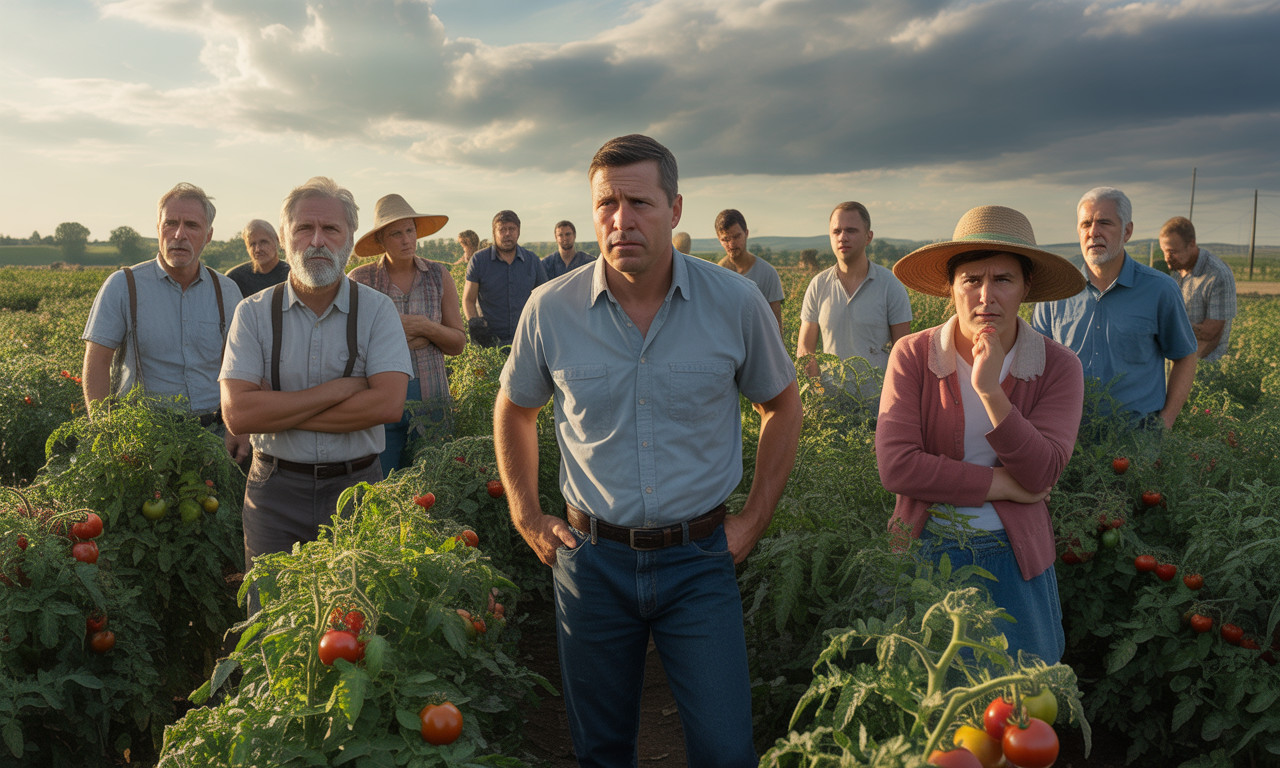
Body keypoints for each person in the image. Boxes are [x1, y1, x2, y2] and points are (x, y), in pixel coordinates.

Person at [494, 134, 801, 767]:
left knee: (724, 749)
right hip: (592, 561)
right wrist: (527, 515)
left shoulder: (734, 302)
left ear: (676, 208)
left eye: (640, 201)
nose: (621, 219)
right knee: (602, 750)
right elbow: (514, 409)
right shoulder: (551, 309)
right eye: (607, 203)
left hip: (699, 560)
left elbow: (783, 406)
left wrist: (754, 519)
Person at [877, 205, 1087, 664]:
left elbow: (1043, 469)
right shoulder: (913, 355)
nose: (985, 296)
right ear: (950, 288)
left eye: (1003, 280)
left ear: (1026, 288)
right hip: (925, 548)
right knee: (933, 702)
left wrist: (991, 391)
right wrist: (1000, 485)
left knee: (1022, 703)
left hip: (1014, 558)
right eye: (971, 279)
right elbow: (896, 466)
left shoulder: (1059, 366)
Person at [219, 177, 411, 610]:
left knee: (356, 622)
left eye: (331, 230)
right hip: (274, 492)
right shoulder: (252, 314)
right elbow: (239, 415)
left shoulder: (378, 310)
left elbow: (387, 404)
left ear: (348, 240)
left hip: (357, 487)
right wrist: (342, 390)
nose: (317, 241)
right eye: (305, 229)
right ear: (286, 239)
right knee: (271, 622)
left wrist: (277, 408)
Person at [81, 182, 249, 461]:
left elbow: (240, 365)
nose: (179, 234)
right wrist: (104, 433)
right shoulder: (124, 286)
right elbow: (97, 362)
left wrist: (241, 426)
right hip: (143, 440)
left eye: (192, 225)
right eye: (170, 223)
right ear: (157, 228)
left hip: (214, 438)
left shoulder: (227, 291)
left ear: (208, 235)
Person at [1032, 187, 1197, 429]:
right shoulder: (1055, 294)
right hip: (1069, 439)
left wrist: (1165, 423)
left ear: (1127, 231)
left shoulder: (1160, 290)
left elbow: (1185, 357)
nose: (1093, 232)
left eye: (1104, 223)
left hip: (1137, 440)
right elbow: (1035, 365)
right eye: (1085, 224)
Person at [349, 194, 466, 475]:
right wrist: (399, 332)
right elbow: (351, 346)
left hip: (432, 402)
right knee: (381, 486)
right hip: (378, 406)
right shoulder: (360, 281)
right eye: (396, 233)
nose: (405, 240)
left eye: (410, 231)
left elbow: (458, 343)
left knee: (432, 486)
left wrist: (425, 327)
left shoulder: (439, 276)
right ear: (380, 240)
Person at [796, 201, 912, 409]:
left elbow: (903, 352)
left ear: (869, 237)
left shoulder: (890, 286)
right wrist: (818, 394)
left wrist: (895, 402)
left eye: (851, 230)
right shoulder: (818, 285)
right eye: (836, 231)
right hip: (830, 408)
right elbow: (805, 350)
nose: (843, 237)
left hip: (879, 407)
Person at [462, 210, 547, 347]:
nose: (507, 233)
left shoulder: (532, 261)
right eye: (502, 229)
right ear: (494, 233)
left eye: (512, 229)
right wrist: (476, 325)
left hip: (525, 341)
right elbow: (468, 299)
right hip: (490, 342)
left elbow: (544, 299)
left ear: (518, 232)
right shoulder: (479, 260)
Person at [1159, 216, 1236, 362]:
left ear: (1192, 244)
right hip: (1174, 359)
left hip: (1204, 367)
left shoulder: (1216, 274)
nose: (1167, 258)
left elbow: (1210, 333)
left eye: (1172, 251)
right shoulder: (1176, 270)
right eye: (1164, 251)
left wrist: (1167, 324)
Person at [715, 209, 784, 335]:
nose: (731, 244)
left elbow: (776, 324)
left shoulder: (768, 273)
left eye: (736, 236)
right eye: (725, 239)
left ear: (746, 233)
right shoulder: (717, 275)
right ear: (719, 239)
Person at [225, 220, 290, 298]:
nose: (258, 249)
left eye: (263, 242)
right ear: (247, 248)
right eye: (252, 244)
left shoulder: (291, 276)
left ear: (277, 241)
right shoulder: (235, 279)